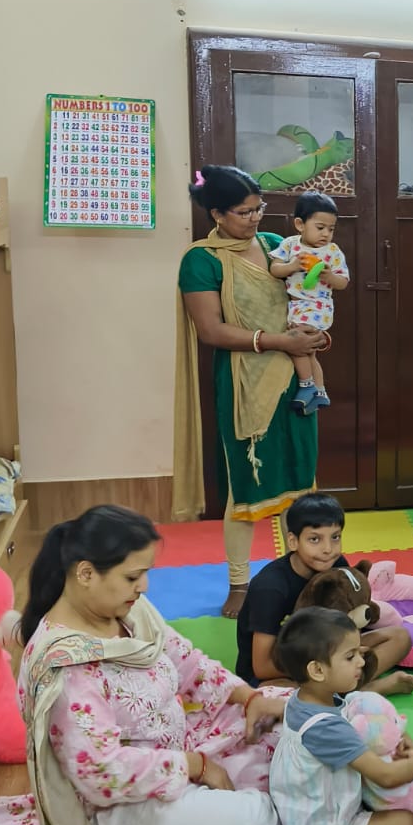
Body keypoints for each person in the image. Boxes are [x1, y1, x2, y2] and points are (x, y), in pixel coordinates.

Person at [0, 507, 287, 825]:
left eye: (145, 573)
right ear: (86, 574)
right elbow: (102, 773)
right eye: (132, 576)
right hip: (120, 805)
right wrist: (196, 765)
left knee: (283, 708)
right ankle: (281, 799)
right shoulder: (66, 668)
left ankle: (278, 790)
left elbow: (185, 659)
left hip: (181, 744)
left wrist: (248, 696)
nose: (143, 586)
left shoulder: (126, 607)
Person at [175, 165, 325, 618]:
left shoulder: (278, 245)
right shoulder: (201, 260)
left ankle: (306, 576)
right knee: (245, 487)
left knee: (300, 484)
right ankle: (239, 583)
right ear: (217, 214)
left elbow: (308, 300)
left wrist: (314, 333)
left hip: (297, 379)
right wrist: (279, 341)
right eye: (244, 212)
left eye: (259, 208)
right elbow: (211, 330)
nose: (256, 218)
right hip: (245, 383)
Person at [268, 608, 413, 825]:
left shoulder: (308, 698)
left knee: (389, 786)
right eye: (350, 656)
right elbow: (386, 776)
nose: (361, 662)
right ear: (317, 670)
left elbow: (359, 711)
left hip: (318, 804)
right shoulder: (327, 729)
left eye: (359, 652)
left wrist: (399, 739)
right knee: (405, 821)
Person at [234, 494, 413, 695]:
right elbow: (262, 667)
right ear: (293, 541)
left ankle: (340, 692)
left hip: (332, 650)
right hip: (286, 670)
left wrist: (350, 653)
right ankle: (363, 691)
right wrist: (328, 664)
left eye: (335, 537)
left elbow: (347, 623)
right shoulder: (270, 588)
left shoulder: (337, 566)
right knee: (274, 695)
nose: (328, 549)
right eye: (315, 539)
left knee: (400, 637)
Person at [268, 191, 350, 417]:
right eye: (320, 227)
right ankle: (320, 391)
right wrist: (293, 266)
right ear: (300, 224)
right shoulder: (290, 245)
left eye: (331, 229)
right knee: (310, 352)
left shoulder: (332, 252)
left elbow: (343, 282)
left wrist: (329, 277)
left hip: (317, 307)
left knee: (297, 343)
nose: (326, 234)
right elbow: (275, 269)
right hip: (296, 305)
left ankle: (307, 385)